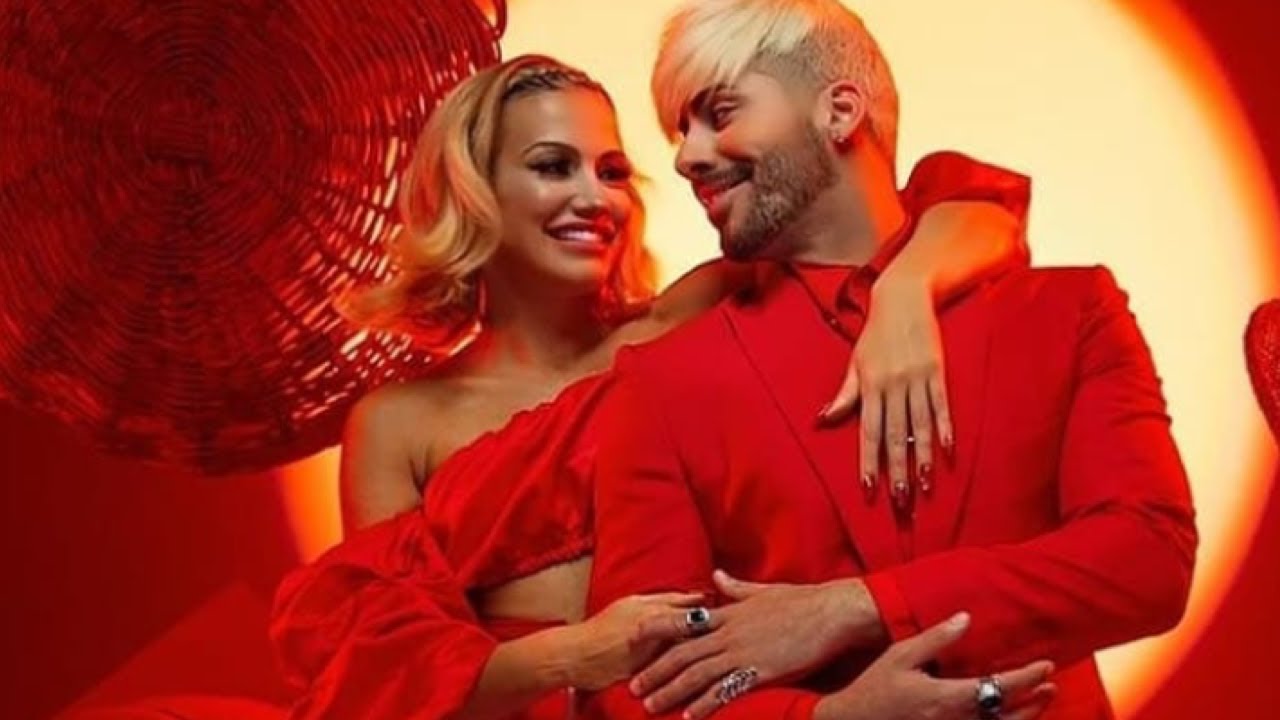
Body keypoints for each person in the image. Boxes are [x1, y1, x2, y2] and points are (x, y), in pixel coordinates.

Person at [270, 52, 1033, 719]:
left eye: (611, 172)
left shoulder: (688, 316)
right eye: (552, 166)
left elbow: (963, 210)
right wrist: (579, 655)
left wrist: (906, 290)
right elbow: (390, 672)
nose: (596, 198)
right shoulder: (398, 422)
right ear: (473, 190)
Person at [585, 2, 1198, 719]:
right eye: (680, 131)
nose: (687, 156)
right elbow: (630, 685)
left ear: (839, 111)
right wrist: (824, 718)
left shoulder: (1069, 311)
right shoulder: (661, 379)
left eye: (719, 113)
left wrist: (857, 608)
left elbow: (1149, 560)